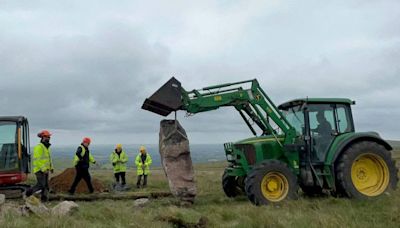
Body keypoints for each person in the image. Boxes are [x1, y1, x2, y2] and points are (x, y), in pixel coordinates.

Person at [25, 130, 53, 202]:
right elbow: (38, 160)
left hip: (45, 170)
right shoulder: (39, 147)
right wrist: (44, 169)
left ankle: (44, 199)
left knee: (46, 186)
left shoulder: (46, 147)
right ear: (43, 137)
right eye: (47, 137)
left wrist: (51, 168)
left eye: (49, 137)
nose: (48, 138)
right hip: (39, 170)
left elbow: (49, 159)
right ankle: (27, 193)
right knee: (41, 185)